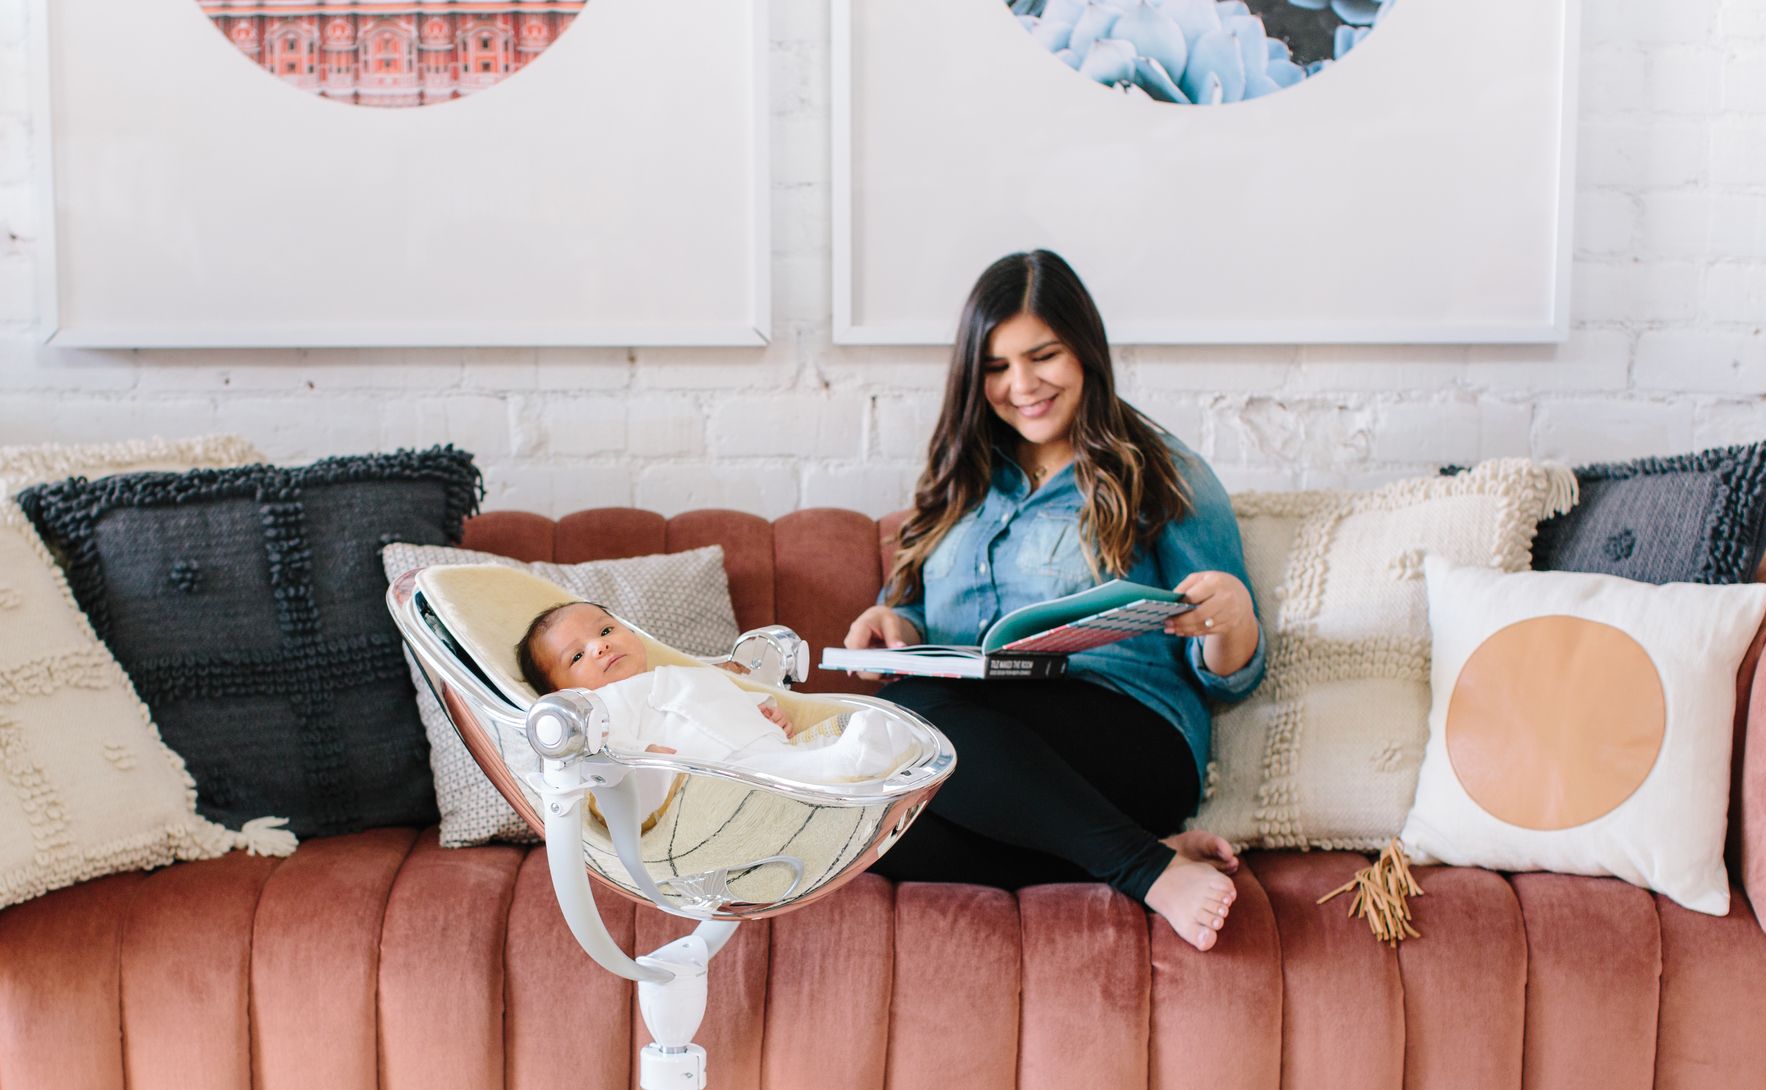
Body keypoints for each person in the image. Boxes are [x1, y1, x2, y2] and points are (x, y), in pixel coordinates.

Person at [842, 249, 1265, 951]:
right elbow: (909, 612)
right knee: (867, 830)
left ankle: (1146, 870)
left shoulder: (1164, 471)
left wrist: (1233, 616)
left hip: (1130, 734)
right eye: (997, 367)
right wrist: (894, 623)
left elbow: (1231, 675)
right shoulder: (961, 479)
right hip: (991, 748)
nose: (1022, 385)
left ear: (1085, 352)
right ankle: (1140, 849)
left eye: (1043, 357)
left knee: (908, 718)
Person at [518, 600, 914, 785]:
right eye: (576, 656)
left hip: (761, 745)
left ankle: (877, 751)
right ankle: (846, 762)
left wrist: (766, 710)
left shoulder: (678, 672)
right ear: (562, 692)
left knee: (804, 753)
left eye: (606, 630)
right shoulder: (604, 705)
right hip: (721, 772)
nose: (600, 646)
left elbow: (721, 693)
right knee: (794, 772)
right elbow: (603, 748)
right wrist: (639, 756)